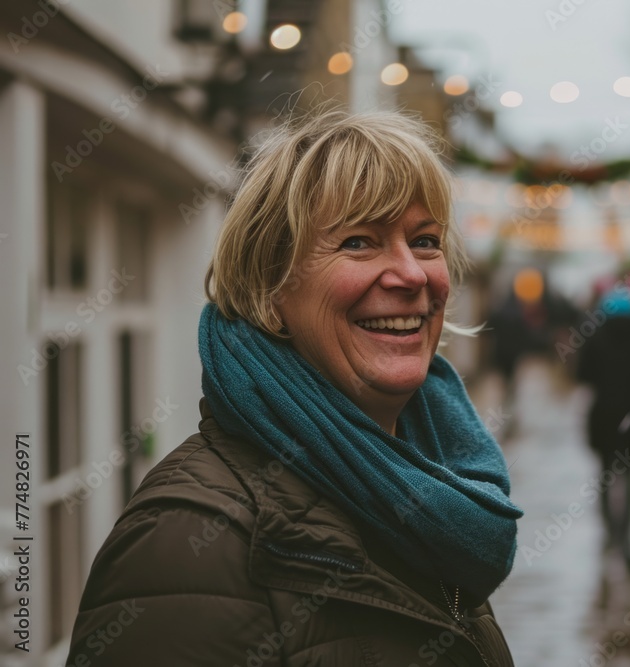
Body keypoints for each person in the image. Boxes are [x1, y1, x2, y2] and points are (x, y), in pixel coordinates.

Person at [68, 110, 523, 666]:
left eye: (424, 240)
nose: (412, 274)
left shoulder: (439, 490)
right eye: (359, 242)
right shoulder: (190, 539)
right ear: (271, 291)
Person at [577, 286, 630, 576]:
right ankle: (627, 540)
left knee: (604, 475)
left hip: (604, 418)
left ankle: (610, 533)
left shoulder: (596, 338)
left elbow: (582, 374)